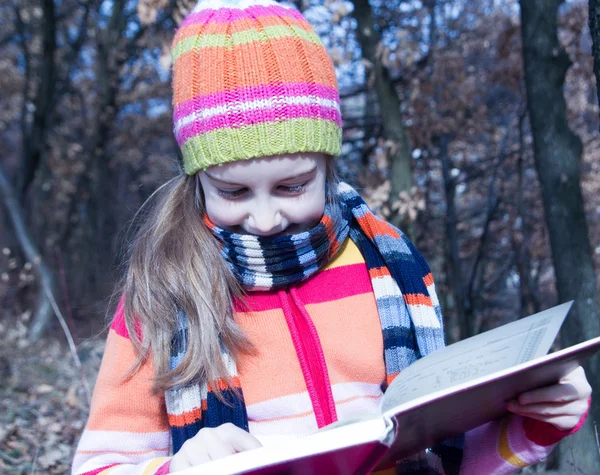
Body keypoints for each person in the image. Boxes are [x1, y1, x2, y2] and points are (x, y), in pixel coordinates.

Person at [71, 0, 592, 473]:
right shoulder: (161, 300)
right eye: (232, 192)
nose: (266, 218)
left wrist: (530, 425)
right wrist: (179, 470)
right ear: (197, 178)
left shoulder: (392, 271)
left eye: (293, 185)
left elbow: (445, 457)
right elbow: (98, 466)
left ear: (328, 166)